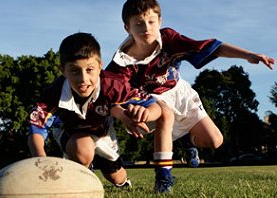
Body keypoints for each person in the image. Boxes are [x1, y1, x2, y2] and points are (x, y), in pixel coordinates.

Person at [106, 0, 275, 193]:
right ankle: (163, 179)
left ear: (159, 21)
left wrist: (249, 55)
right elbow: (106, 95)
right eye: (138, 23)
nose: (146, 28)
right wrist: (123, 115)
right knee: (165, 114)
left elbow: (212, 47)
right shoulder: (121, 63)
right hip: (151, 99)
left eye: (151, 22)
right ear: (127, 27)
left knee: (215, 140)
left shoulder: (169, 39)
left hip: (180, 92)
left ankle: (187, 141)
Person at [27, 32, 163, 188]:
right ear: (63, 70)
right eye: (74, 71)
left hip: (102, 134)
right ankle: (81, 174)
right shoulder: (54, 93)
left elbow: (154, 106)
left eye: (89, 70)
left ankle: (118, 178)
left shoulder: (113, 85)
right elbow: (36, 128)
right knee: (83, 148)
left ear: (100, 67)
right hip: (71, 134)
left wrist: (146, 113)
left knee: (117, 177)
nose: (83, 79)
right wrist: (42, 161)